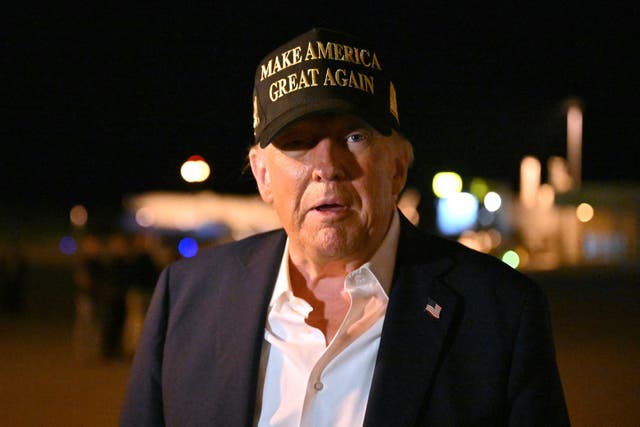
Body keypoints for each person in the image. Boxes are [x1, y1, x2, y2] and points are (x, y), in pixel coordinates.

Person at [120, 28, 569, 426]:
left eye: (355, 137)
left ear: (397, 166)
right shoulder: (186, 296)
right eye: (297, 142)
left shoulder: (500, 314)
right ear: (261, 175)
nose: (327, 167)